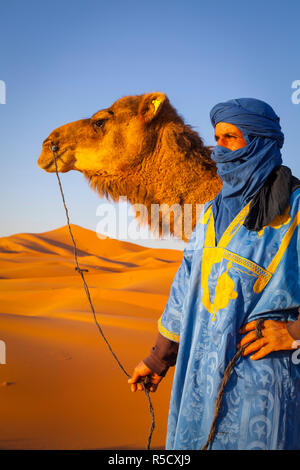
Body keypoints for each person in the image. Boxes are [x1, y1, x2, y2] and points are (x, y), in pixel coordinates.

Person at [128, 98, 300, 450]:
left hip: (262, 393)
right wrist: (158, 358)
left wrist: (295, 333)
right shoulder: (210, 214)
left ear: (260, 143)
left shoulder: (294, 211)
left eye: (231, 138)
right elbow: (184, 290)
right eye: (216, 137)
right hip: (196, 386)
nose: (218, 149)